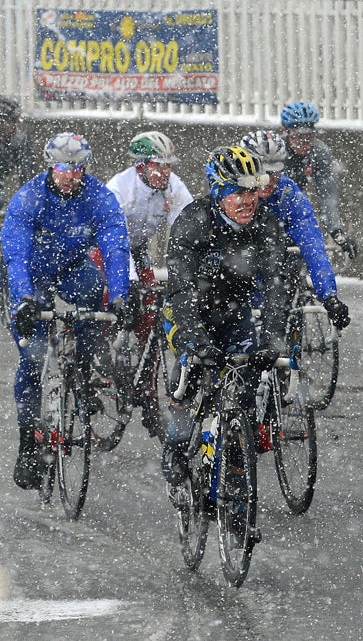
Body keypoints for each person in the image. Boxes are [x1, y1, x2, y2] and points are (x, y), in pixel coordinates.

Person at [1, 132, 130, 490]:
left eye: (78, 168)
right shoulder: (28, 198)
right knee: (34, 356)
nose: (71, 175)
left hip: (72, 267)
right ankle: (28, 440)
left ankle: (85, 366)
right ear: (50, 166)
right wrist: (25, 298)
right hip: (33, 276)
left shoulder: (98, 196)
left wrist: (121, 295)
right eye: (63, 167)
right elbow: (16, 255)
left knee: (94, 289)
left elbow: (115, 245)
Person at [159, 146, 290, 486]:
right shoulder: (192, 222)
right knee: (185, 380)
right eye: (239, 192)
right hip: (189, 312)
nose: (249, 200)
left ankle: (234, 465)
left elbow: (278, 285)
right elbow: (181, 290)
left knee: (244, 385)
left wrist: (273, 339)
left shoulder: (266, 224)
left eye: (253, 190)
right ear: (218, 192)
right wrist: (197, 342)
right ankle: (175, 446)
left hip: (235, 315)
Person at [105, 131, 194, 436]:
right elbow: (114, 242)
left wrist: (191, 273)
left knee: (152, 315)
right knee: (116, 302)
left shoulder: (172, 185)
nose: (165, 173)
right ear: (141, 166)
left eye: (169, 166)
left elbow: (188, 230)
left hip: (138, 247)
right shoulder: (120, 188)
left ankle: (146, 386)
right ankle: (104, 347)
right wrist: (126, 284)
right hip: (108, 249)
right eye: (159, 166)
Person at [239, 130, 350, 330]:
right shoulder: (230, 193)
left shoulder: (288, 194)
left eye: (275, 172)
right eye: (262, 172)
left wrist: (329, 297)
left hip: (274, 273)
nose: (270, 179)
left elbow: (313, 247)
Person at [279, 101, 358, 259]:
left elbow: (327, 195)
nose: (304, 143)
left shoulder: (318, 153)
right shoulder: (275, 150)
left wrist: (337, 232)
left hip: (293, 209)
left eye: (308, 137)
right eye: (298, 136)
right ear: (285, 132)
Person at [0, 95, 34, 201]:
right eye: (11, 121)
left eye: (16, 121)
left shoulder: (18, 139)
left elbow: (27, 171)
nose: (15, 125)